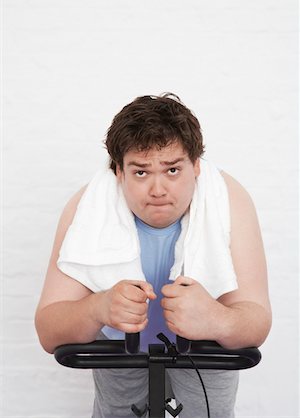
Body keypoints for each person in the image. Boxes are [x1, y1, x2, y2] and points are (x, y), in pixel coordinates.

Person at [35, 93, 272, 418]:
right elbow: (49, 332)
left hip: (205, 342)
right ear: (118, 171)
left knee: (207, 414)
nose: (158, 189)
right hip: (119, 345)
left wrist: (215, 319)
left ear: (196, 166)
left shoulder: (229, 200)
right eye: (141, 173)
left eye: (173, 170)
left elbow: (257, 321)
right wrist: (98, 307)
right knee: (117, 414)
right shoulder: (87, 205)